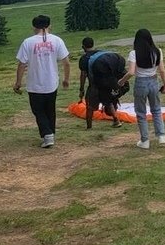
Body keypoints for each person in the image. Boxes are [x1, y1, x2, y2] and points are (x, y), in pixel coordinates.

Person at [14, 15, 70, 148]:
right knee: (50, 109)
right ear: (49, 25)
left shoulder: (28, 42)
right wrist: (66, 79)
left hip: (34, 84)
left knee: (38, 110)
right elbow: (66, 62)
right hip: (52, 82)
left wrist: (18, 82)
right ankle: (50, 133)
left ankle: (47, 134)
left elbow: (22, 64)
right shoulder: (57, 40)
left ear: (34, 27)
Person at [119, 28, 165, 149]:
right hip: (153, 81)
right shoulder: (158, 51)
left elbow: (131, 72)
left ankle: (145, 140)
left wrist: (121, 81)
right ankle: (162, 135)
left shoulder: (134, 53)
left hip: (141, 83)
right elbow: (162, 70)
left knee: (141, 112)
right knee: (156, 109)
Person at [78, 37, 127, 129]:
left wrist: (81, 89)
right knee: (107, 100)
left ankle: (89, 127)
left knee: (89, 105)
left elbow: (83, 75)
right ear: (93, 45)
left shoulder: (84, 59)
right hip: (108, 82)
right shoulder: (101, 53)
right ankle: (116, 120)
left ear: (83, 47)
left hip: (95, 84)